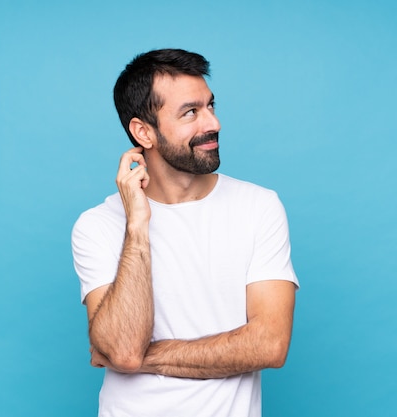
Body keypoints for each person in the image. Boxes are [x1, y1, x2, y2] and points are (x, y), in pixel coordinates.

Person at [71, 48, 298, 417]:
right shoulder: (96, 226)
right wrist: (138, 224)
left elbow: (270, 344)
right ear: (143, 132)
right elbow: (125, 348)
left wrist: (147, 357)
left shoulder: (259, 207)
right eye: (190, 112)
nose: (213, 123)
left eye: (211, 105)